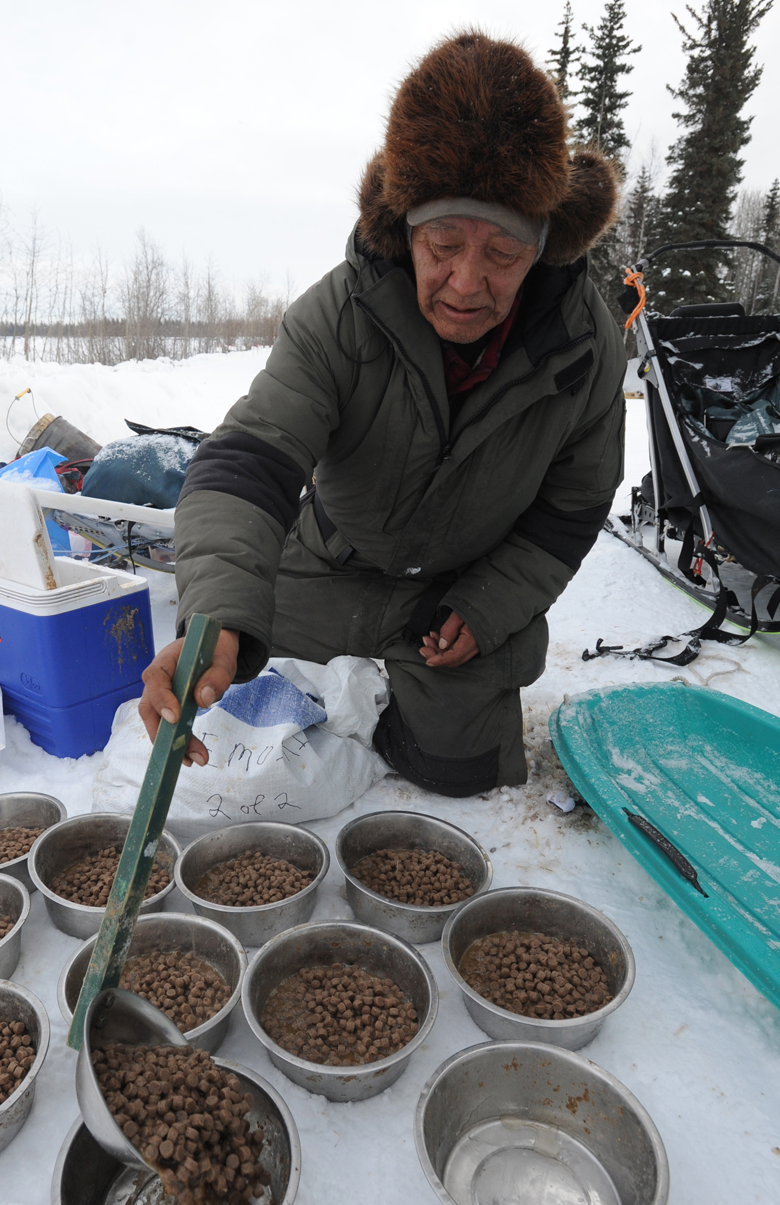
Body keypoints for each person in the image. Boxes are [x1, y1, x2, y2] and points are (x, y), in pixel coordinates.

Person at [140, 31, 625, 798]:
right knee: (234, 716)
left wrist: (487, 605)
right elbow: (249, 458)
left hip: (456, 591)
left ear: (545, 246)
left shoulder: (585, 343)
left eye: (502, 253)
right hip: (331, 563)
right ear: (406, 230)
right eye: (444, 243)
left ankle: (413, 696)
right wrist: (219, 621)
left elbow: (575, 506)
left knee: (455, 773)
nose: (468, 282)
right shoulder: (341, 312)